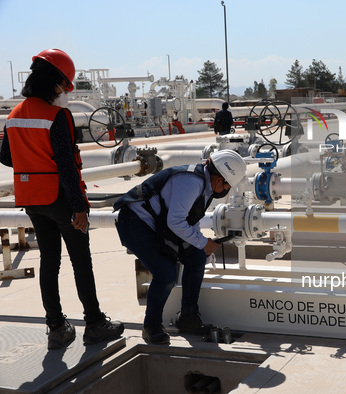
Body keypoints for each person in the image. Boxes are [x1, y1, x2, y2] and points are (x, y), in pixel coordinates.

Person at [0, 49, 124, 349]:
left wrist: (33, 165)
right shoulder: (57, 116)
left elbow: (5, 157)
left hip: (31, 199)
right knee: (81, 260)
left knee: (49, 261)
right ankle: (94, 323)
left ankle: (56, 328)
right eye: (63, 86)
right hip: (61, 199)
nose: (64, 92)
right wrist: (80, 207)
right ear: (55, 82)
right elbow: (67, 166)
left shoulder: (14, 116)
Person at [113, 150, 247, 344]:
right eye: (227, 185)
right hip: (136, 223)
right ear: (220, 180)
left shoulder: (205, 185)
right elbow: (175, 222)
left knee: (197, 257)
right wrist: (203, 243)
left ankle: (188, 317)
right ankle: (151, 327)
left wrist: (202, 245)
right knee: (165, 274)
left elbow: (190, 220)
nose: (227, 189)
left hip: (158, 224)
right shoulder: (191, 182)